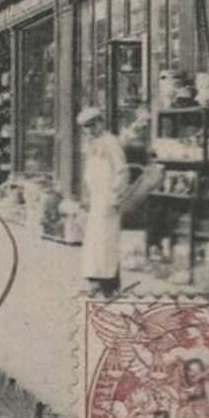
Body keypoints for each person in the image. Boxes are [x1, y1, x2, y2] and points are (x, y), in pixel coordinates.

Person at [78, 106, 129, 297]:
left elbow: (122, 170)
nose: (89, 130)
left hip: (108, 198)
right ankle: (95, 281)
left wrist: (115, 195)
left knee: (106, 241)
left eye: (92, 125)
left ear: (101, 122)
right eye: (86, 127)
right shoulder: (94, 143)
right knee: (95, 241)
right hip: (97, 198)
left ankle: (108, 283)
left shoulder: (110, 142)